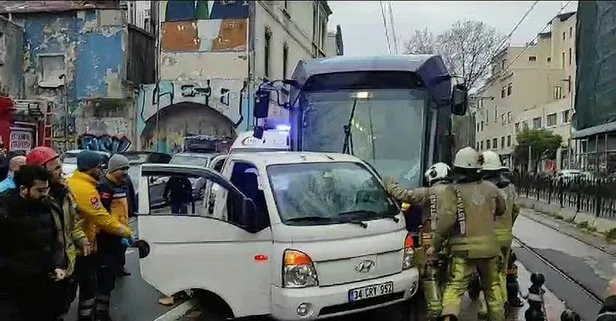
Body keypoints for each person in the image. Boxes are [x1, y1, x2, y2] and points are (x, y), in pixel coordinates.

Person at [431, 147, 507, 321]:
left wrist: (435, 245)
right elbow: (501, 209)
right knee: (493, 288)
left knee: (455, 287)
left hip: (462, 251)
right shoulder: (491, 188)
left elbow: (446, 221)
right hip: (490, 251)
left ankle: (448, 318)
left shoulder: (453, 190)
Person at [27, 146, 91, 320]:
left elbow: (71, 223)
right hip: (43, 270)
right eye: (55, 168)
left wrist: (81, 239)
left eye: (59, 166)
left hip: (66, 264)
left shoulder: (65, 192)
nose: (60, 171)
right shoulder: (34, 199)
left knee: (62, 308)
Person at [67, 151, 133, 321]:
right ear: (90, 168)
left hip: (88, 243)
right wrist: (126, 232)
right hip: (84, 245)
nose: (101, 170)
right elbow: (101, 217)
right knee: (87, 286)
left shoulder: (88, 184)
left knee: (92, 284)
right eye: (98, 167)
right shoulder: (90, 189)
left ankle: (93, 315)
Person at [384, 162, 453, 320]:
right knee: (448, 276)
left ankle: (435, 312)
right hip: (452, 241)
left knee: (430, 275)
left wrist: (389, 182)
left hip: (431, 240)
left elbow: (404, 195)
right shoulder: (456, 192)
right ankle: (448, 310)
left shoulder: (427, 192)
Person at [0, 165, 68, 321]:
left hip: (42, 280)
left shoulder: (47, 207)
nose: (45, 194)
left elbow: (55, 239)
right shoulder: (5, 210)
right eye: (40, 190)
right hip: (11, 283)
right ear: (24, 188)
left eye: (46, 189)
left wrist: (57, 265)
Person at [97, 153, 133, 282]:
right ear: (113, 170)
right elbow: (103, 211)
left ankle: (119, 267)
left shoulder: (125, 182)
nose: (125, 172)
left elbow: (129, 199)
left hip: (122, 225)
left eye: (127, 169)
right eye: (122, 169)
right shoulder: (104, 185)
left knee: (121, 249)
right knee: (108, 256)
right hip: (109, 229)